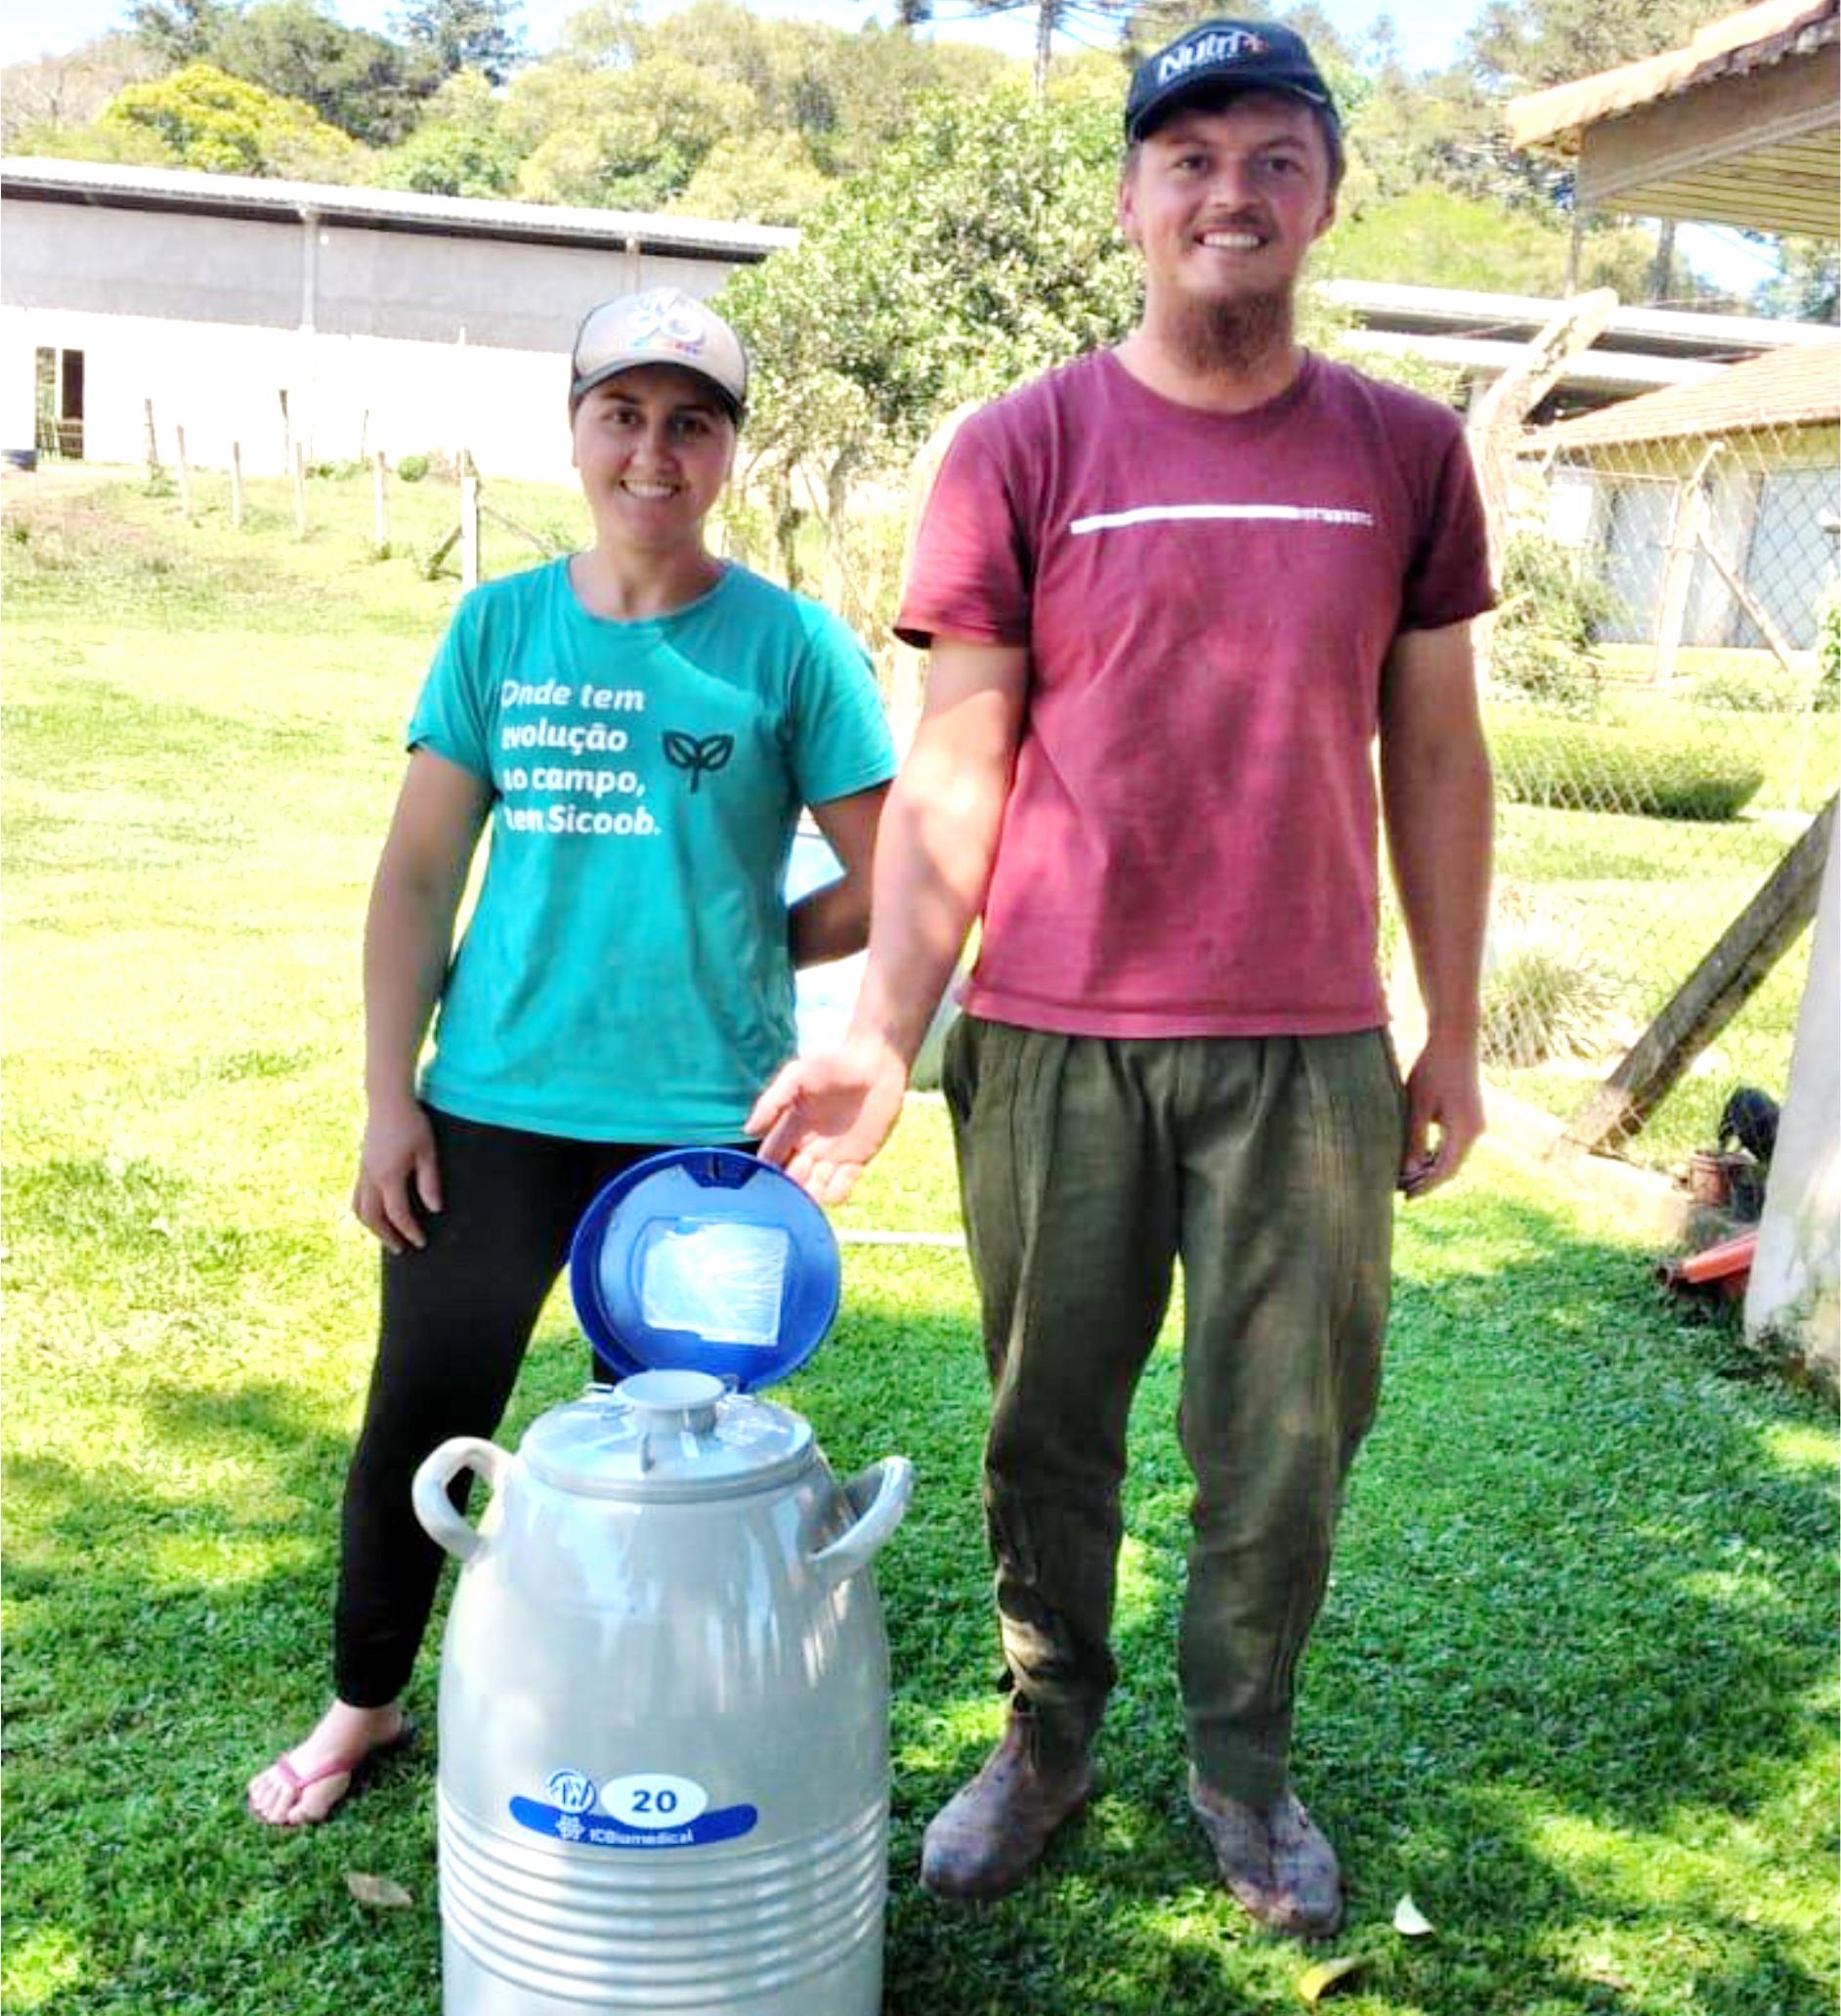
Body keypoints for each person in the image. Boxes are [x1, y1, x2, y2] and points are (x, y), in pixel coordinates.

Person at [749, 20, 1494, 1937]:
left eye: (1271, 156)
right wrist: (880, 1032)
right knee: (1047, 1429)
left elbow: (1435, 753)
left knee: (1284, 1449)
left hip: (1309, 1052)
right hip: (1061, 1041)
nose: (1227, 191)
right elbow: (959, 755)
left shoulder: (1408, 455)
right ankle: (1048, 1738)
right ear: (1130, 200)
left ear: (1326, 193)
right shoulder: (1021, 446)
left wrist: (1456, 1032)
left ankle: (1243, 1772)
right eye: (1188, 158)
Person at [247, 288, 895, 1826]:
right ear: (579, 431)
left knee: (670, 1458)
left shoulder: (792, 648)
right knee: (428, 1409)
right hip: (492, 1108)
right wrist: (385, 1097)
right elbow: (415, 877)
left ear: (731, 450)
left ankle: (656, 1709)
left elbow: (891, 875)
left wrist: (753, 940)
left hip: (703, 1130)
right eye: (625, 413)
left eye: (693, 420)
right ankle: (366, 1707)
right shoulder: (498, 627)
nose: (653, 451)